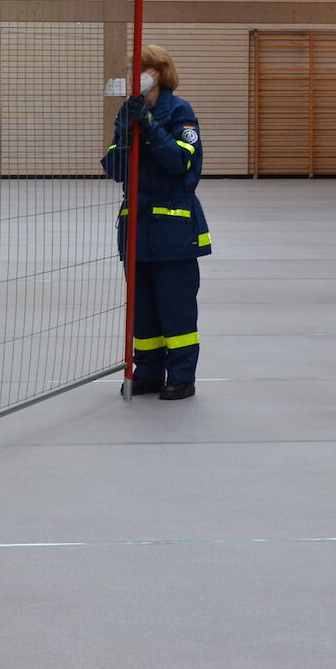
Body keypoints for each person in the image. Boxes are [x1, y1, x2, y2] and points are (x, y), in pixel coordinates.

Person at [103, 43, 211, 401]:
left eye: (143, 69)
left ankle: (181, 376)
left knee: (175, 308)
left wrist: (148, 126)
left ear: (159, 73)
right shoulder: (128, 112)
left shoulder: (179, 111)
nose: (137, 77)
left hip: (173, 232)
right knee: (143, 310)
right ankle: (147, 372)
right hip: (136, 231)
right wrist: (127, 134)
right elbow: (115, 168)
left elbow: (178, 163)